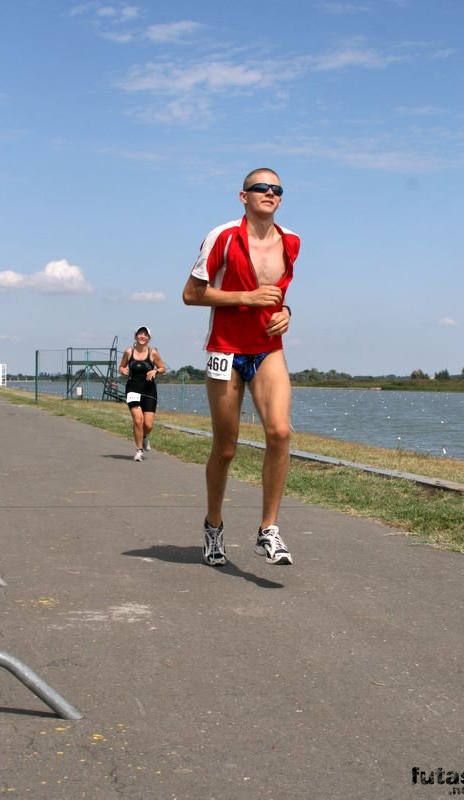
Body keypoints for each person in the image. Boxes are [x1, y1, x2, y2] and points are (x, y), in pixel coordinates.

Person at [182, 167, 300, 567]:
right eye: (260, 188)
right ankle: (213, 527)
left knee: (280, 432)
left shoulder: (292, 242)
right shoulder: (222, 237)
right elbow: (191, 294)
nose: (269, 193)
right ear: (243, 196)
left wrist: (286, 312)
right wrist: (244, 298)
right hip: (226, 350)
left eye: (276, 189)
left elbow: (278, 296)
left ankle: (269, 530)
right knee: (227, 447)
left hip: (268, 348)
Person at [119, 327, 166, 462]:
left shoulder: (153, 353)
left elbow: (163, 368)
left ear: (149, 338)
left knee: (148, 425)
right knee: (138, 420)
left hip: (149, 390)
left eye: (145, 334)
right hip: (133, 389)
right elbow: (121, 366)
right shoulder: (129, 351)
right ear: (135, 336)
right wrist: (123, 370)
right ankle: (139, 450)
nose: (142, 336)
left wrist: (155, 371)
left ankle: (144, 437)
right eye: (140, 334)